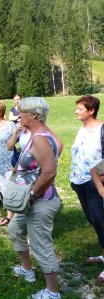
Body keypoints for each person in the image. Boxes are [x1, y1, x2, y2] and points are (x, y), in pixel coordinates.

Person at [7, 97, 61, 299]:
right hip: (28, 201)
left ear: (34, 115)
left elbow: (49, 172)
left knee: (41, 245)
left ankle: (53, 292)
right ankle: (27, 270)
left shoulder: (40, 138)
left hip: (40, 201)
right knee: (14, 229)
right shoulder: (35, 134)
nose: (18, 114)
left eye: (22, 112)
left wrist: (31, 193)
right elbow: (53, 152)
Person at [70, 95, 104, 282]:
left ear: (91, 111)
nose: (76, 111)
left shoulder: (102, 129)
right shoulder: (82, 129)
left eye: (80, 109)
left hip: (95, 184)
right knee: (94, 220)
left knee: (101, 221)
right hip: (79, 182)